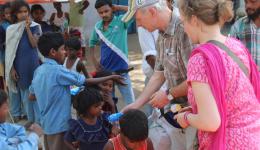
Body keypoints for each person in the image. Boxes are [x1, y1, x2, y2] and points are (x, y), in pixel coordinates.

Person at [175, 0, 260, 149]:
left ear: (194, 20)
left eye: (183, 22)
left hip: (229, 144)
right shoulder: (235, 45)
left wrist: (186, 118)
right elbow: (234, 98)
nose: (184, 29)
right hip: (254, 138)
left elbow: (211, 122)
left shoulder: (200, 59)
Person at [121, 0, 197, 149]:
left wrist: (169, 94)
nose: (139, 26)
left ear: (152, 12)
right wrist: (137, 104)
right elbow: (158, 74)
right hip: (177, 114)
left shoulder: (185, 30)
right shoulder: (162, 35)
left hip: (195, 115)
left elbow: (197, 80)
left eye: (138, 20)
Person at [29, 32, 124, 150]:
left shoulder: (38, 71)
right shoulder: (58, 70)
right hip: (60, 125)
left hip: (47, 124)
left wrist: (59, 93)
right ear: (53, 52)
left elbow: (31, 96)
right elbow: (86, 81)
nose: (65, 52)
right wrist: (110, 77)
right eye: (63, 49)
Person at [89, 0, 135, 105]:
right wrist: (94, 60)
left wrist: (118, 7)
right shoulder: (97, 27)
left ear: (112, 9)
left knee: (131, 102)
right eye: (100, 13)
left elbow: (134, 11)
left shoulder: (121, 21)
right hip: (106, 74)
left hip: (122, 71)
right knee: (109, 103)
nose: (104, 14)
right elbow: (92, 43)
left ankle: (131, 120)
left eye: (106, 11)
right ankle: (112, 121)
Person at [5, 0, 42, 124]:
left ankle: (37, 119)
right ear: (15, 14)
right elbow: (9, 53)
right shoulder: (11, 29)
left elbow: (34, 44)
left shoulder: (35, 26)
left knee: (35, 90)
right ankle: (29, 118)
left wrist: (27, 29)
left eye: (25, 11)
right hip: (19, 65)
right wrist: (12, 69)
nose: (23, 14)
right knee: (24, 92)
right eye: (20, 12)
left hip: (33, 63)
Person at [230, 0, 260, 69]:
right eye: (246, 2)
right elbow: (230, 59)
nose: (248, 6)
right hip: (246, 78)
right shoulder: (238, 27)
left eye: (253, 1)